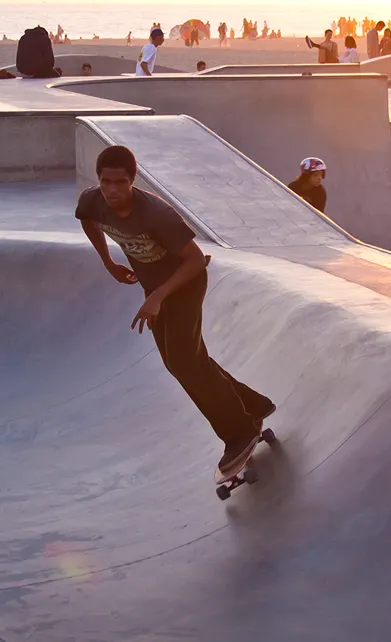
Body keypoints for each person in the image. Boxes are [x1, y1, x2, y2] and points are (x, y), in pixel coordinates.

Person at [76, 145, 275, 476]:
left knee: (185, 362)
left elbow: (195, 260)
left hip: (185, 284)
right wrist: (109, 262)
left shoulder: (157, 215)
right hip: (154, 288)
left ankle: (239, 431)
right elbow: (87, 221)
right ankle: (253, 404)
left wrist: (158, 296)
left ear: (132, 181)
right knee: (179, 362)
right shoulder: (92, 201)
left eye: (119, 183)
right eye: (105, 182)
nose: (111, 190)